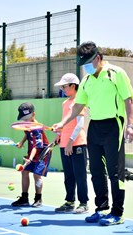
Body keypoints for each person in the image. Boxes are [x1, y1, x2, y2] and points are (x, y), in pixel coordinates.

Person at [52, 41, 133, 226]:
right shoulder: (86, 80)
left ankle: (117, 213)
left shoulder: (117, 73)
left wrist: (131, 125)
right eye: (84, 65)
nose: (86, 67)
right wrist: (62, 123)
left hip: (114, 124)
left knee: (114, 172)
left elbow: (128, 99)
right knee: (96, 170)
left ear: (98, 58)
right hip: (95, 126)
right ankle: (102, 208)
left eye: (88, 62)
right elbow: (78, 106)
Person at [53, 73, 89, 214]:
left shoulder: (79, 102)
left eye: (65, 86)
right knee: (68, 175)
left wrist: (70, 142)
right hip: (65, 144)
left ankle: (83, 203)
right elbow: (66, 123)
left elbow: (79, 125)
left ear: (73, 86)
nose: (63, 89)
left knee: (80, 174)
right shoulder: (65, 103)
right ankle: (69, 201)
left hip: (77, 143)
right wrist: (60, 134)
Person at [11, 102, 50, 208]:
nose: (24, 121)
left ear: (33, 115)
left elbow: (36, 146)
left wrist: (30, 159)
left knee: (36, 175)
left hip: (42, 153)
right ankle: (24, 198)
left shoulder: (37, 128)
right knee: (24, 172)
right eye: (23, 119)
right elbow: (27, 135)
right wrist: (22, 142)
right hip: (32, 151)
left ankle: (38, 198)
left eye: (26, 119)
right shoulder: (27, 125)